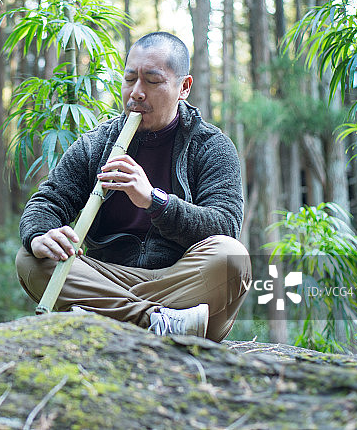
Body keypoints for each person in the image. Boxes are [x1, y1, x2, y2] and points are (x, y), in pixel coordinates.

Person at [16, 31, 251, 341]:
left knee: (231, 257)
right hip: (110, 278)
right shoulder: (97, 144)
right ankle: (155, 322)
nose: (137, 93)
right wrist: (41, 235)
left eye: (152, 81)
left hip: (180, 284)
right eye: (130, 80)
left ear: (184, 87)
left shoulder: (211, 146)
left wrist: (154, 201)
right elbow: (48, 201)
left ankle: (107, 317)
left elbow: (225, 224)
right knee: (30, 258)